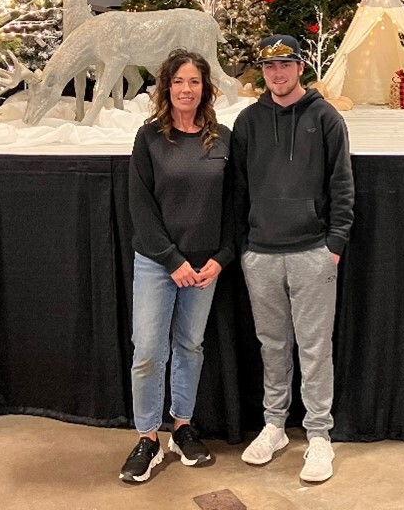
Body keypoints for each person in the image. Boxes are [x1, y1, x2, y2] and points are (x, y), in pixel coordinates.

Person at [231, 34, 354, 483]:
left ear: (300, 67)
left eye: (284, 65)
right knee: (273, 345)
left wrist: (335, 245)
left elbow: (342, 185)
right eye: (268, 67)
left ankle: (319, 435)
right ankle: (274, 426)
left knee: (315, 347)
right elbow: (238, 190)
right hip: (261, 255)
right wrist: (245, 247)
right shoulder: (247, 122)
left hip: (312, 253)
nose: (276, 74)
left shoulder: (325, 118)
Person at [120, 49, 234, 484]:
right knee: (149, 351)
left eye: (195, 82)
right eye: (178, 81)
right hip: (157, 264)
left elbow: (233, 207)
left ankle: (182, 428)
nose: (186, 90)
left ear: (205, 88)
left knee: (190, 347)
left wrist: (220, 260)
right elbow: (140, 207)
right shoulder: (149, 138)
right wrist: (172, 260)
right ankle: (148, 438)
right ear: (166, 87)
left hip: (205, 269)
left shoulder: (222, 138)